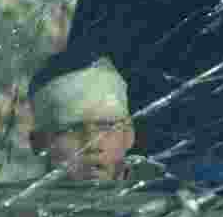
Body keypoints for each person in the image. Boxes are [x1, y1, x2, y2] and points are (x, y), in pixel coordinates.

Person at [28, 55, 163, 181]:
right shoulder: (19, 204)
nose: (92, 143)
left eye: (106, 126)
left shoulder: (174, 200)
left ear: (129, 135)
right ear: (39, 143)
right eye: (71, 129)